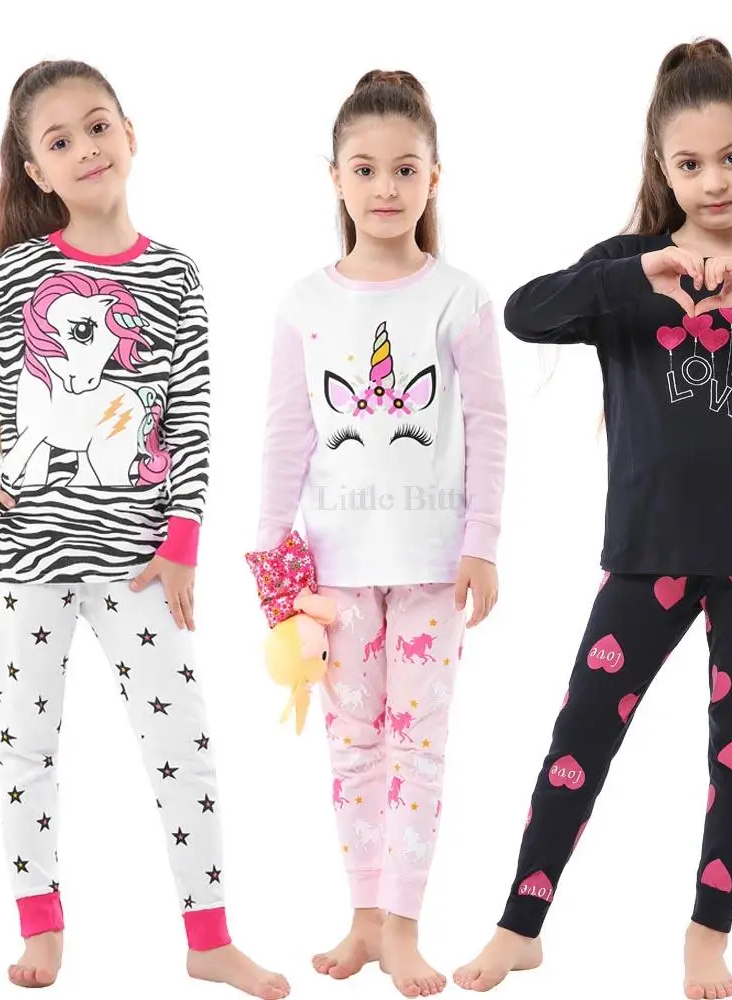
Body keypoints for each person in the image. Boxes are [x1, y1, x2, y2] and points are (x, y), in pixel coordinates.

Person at [453, 38, 732, 1000]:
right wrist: (634, 277)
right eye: (690, 163)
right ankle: (521, 926)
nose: (714, 180)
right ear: (663, 166)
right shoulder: (626, 271)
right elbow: (525, 313)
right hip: (647, 553)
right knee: (581, 738)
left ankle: (706, 936)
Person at [0, 59, 289, 999]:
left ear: (129, 133)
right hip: (30, 560)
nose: (84, 148)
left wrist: (182, 544)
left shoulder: (175, 275)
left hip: (138, 566)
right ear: (36, 171)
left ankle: (208, 939)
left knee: (183, 745)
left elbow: (190, 417)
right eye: (59, 140)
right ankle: (41, 929)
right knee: (25, 748)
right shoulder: (15, 274)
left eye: (96, 126)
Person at [256, 70, 507, 998]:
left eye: (405, 168)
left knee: (418, 742)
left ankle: (403, 924)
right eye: (364, 169)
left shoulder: (461, 297)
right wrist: (271, 561)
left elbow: (488, 425)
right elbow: (285, 436)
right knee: (352, 742)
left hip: (434, 565)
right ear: (335, 178)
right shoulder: (303, 304)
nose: (386, 187)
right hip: (333, 572)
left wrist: (482, 541)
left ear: (435, 176)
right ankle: (362, 916)